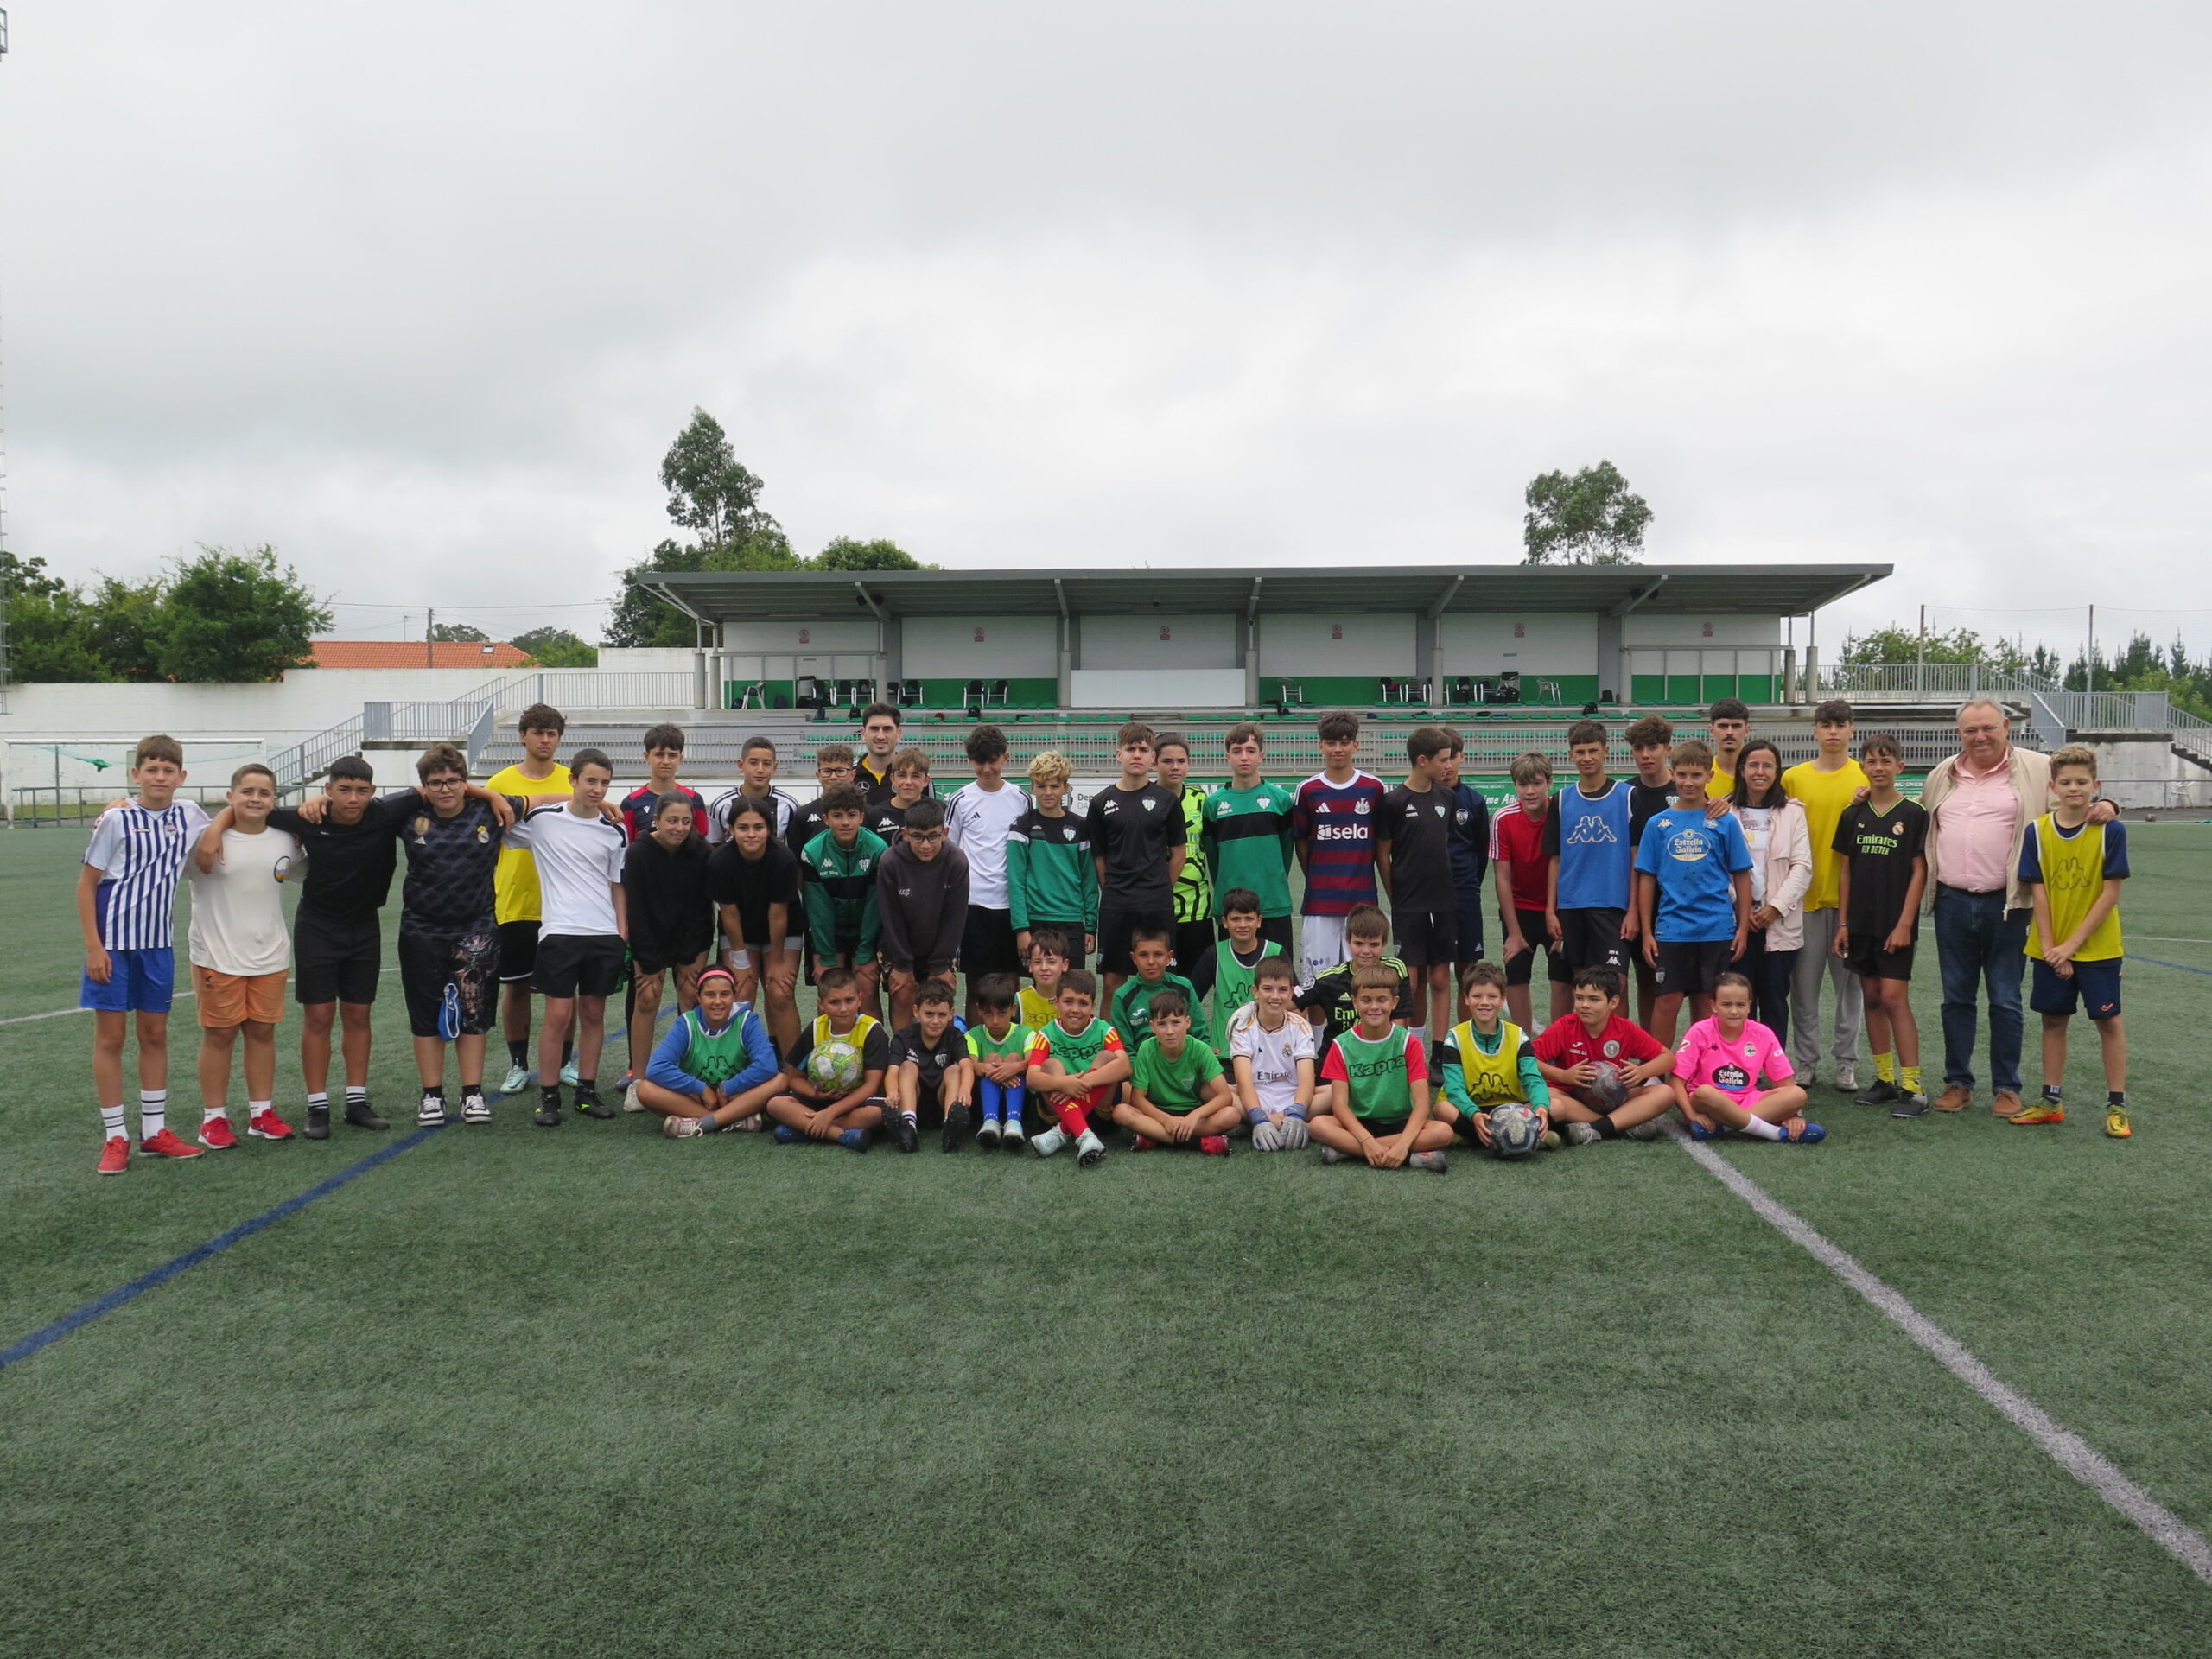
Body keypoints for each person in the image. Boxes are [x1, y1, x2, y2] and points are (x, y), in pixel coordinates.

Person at [1920, 696, 2117, 1117]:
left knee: (2005, 998)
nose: (1980, 736)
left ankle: (2007, 1087)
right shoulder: (1941, 775)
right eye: (1971, 730)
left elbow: (2075, 793)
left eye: (1988, 727)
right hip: (1952, 901)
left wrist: (2110, 805)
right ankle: (1958, 1082)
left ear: (2006, 726)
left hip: (2009, 904)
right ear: (1960, 734)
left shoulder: (2036, 767)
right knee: (1955, 998)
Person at [255, 754, 413, 1136]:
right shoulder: (309, 818)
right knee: (320, 1017)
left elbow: (435, 788)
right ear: (328, 791)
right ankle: (318, 1105)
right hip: (318, 927)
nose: (353, 799)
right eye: (343, 790)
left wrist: (490, 798)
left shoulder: (386, 814)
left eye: (361, 791)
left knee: (358, 1015)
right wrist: (215, 830)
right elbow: (253, 809)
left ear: (373, 792)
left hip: (364, 927)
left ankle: (357, 1101)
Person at [79, 736, 210, 1172]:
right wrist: (94, 947)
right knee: (111, 1039)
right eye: (151, 769)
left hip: (157, 945)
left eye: (168, 770)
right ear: (136, 774)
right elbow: (86, 885)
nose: (159, 777)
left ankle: (154, 1131)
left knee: (154, 1036)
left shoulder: (189, 814)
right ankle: (115, 1137)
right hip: (112, 947)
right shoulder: (117, 819)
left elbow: (223, 821)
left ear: (181, 777)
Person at [391, 744, 524, 1128]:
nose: (446, 789)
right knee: (424, 1013)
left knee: (475, 1010)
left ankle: (472, 1093)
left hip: (477, 931)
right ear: (424, 788)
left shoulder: (490, 812)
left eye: (454, 781)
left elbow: (553, 798)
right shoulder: (409, 815)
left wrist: (489, 794)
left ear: (465, 782)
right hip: (421, 930)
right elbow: (368, 808)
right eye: (436, 783)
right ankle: (431, 1095)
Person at [502, 748, 630, 1126]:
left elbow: (617, 883)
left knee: (593, 1013)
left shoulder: (614, 830)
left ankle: (587, 1093)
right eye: (590, 781)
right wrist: (581, 799)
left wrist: (622, 929)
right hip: (559, 932)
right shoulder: (542, 821)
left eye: (604, 783)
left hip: (603, 932)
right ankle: (548, 1095)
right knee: (558, 1015)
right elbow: (501, 809)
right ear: (572, 780)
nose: (597, 789)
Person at [182, 764, 300, 1150]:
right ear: (231, 797)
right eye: (246, 791)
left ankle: (261, 1113)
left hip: (271, 955)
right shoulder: (204, 841)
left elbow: (307, 870)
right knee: (219, 1035)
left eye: (264, 793)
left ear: (274, 800)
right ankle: (212, 1119)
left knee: (263, 1033)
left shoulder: (287, 840)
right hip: (217, 956)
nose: (255, 799)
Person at [2015, 745, 2131, 1135]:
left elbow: (2109, 894)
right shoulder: (2037, 831)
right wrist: (2051, 947)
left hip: (2097, 949)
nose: (2074, 788)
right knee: (2052, 1020)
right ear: (2053, 786)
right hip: (2051, 949)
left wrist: (2071, 946)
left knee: (2108, 1021)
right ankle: (2051, 1099)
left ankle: (2117, 1105)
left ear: (2096, 785)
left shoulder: (2110, 831)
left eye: (2082, 782)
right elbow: (2039, 892)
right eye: (2065, 782)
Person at [1833, 734, 1930, 1116]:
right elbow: (1845, 872)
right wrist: (1843, 922)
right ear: (1862, 766)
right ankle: (1885, 1079)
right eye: (1872, 761)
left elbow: (1919, 872)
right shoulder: (1852, 814)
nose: (1879, 768)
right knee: (1870, 998)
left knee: (1893, 998)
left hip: (1895, 924)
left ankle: (1914, 1086)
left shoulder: (1913, 814)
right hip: (1860, 924)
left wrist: (1906, 923)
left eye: (1886, 762)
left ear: (1900, 768)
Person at [1633, 739, 1753, 1047]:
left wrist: (1742, 927)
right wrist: (1647, 932)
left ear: (1709, 776)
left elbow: (1741, 874)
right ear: (1673, 774)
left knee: (1705, 1003)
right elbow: (1646, 879)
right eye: (1683, 774)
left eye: (1696, 775)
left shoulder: (1724, 821)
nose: (1689, 782)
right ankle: (1658, 1076)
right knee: (1667, 1001)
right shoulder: (1658, 824)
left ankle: (1699, 1073)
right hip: (1673, 929)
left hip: (1716, 928)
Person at [1781, 699, 1869, 1091]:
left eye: (1841, 724)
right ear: (1815, 730)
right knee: (1803, 989)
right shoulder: (1793, 778)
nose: (1833, 731)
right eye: (1826, 724)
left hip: (1852, 902)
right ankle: (1806, 1061)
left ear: (1852, 730)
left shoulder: (1866, 775)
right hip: (1805, 900)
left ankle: (1846, 1063)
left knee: (1850, 989)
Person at [487, 702, 574, 1096]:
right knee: (516, 987)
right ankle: (518, 1064)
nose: (544, 739)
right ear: (523, 736)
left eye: (551, 733)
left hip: (564, 903)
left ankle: (566, 1062)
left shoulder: (573, 780)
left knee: (564, 987)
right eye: (537, 732)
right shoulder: (500, 783)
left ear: (558, 738)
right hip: (516, 901)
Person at [620, 793, 715, 1103]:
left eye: (686, 821)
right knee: (646, 998)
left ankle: (691, 1077)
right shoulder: (638, 853)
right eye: (672, 820)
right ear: (656, 821)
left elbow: (703, 909)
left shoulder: (701, 850)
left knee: (690, 997)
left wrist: (693, 954)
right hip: (651, 934)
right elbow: (637, 908)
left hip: (690, 933)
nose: (679, 827)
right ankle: (640, 1079)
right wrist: (647, 959)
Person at [1308, 965, 1451, 1172]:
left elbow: (1421, 1104)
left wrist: (1401, 1144)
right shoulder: (1341, 1045)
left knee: (1443, 1131)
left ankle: (1349, 1151)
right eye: (1366, 1000)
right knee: (1318, 1125)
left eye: (1381, 1000)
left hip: (1402, 1122)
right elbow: (1339, 1105)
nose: (1374, 1006)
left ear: (1394, 1002)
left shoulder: (1408, 1042)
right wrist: (1366, 1141)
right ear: (1355, 1002)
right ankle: (1408, 1155)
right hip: (1359, 1124)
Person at [1084, 721, 1182, 1001]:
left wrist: (1160, 886)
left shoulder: (1166, 800)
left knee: (1158, 979)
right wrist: (1115, 888)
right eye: (1130, 749)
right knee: (1113, 982)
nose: (1136, 755)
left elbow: (1178, 853)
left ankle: (1158, 1042)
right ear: (1119, 754)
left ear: (1152, 757)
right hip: (1117, 903)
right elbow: (1099, 857)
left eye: (1143, 749)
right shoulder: (1101, 803)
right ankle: (1115, 1045)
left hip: (1156, 902)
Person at [1376, 725, 1461, 1043]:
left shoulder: (1447, 797)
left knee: (1440, 979)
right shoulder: (1393, 802)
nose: (1448, 766)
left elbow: (1443, 845)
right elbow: (1382, 855)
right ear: (1422, 760)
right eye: (1442, 760)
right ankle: (1400, 1050)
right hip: (1409, 904)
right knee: (1409, 983)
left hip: (1443, 902)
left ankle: (1438, 1050)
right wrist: (1394, 894)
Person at [1542, 719, 1633, 1011]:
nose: (1586, 758)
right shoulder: (1560, 800)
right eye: (1580, 752)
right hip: (1572, 905)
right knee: (1581, 983)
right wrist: (1550, 909)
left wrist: (1633, 910)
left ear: (1606, 751)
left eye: (1593, 750)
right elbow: (1555, 860)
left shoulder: (1627, 796)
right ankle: (1583, 1050)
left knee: (1616, 981)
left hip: (1612, 905)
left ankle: (1619, 1050)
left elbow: (1636, 858)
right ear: (1570, 755)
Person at [1726, 739, 1812, 1045]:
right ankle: (1740, 1069)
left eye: (1767, 765)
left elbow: (1802, 867)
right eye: (1753, 765)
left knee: (1775, 1000)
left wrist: (1774, 908)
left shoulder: (1793, 813)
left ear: (1777, 771)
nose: (1760, 771)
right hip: (1739, 922)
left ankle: (1773, 1071)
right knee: (1739, 1001)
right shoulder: (1725, 811)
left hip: (1779, 921)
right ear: (1742, 770)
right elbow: (1719, 866)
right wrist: (1743, 908)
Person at [1292, 711, 1389, 980]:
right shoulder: (1308, 790)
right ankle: (1317, 1026)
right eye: (1331, 742)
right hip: (1320, 902)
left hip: (1362, 901)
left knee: (1364, 980)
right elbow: (1301, 843)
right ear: (1320, 745)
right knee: (1316, 981)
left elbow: (1382, 844)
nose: (1338, 749)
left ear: (1355, 745)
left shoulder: (1374, 788)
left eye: (1345, 742)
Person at [1531, 969, 1677, 1142]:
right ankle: (1622, 1124)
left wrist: (1643, 1071)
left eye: (1594, 999)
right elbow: (1528, 1060)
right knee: (1549, 1097)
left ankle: (1594, 1129)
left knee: (1665, 1093)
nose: (1585, 1005)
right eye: (1579, 998)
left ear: (1613, 1002)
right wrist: (1563, 1075)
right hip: (1572, 1098)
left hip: (1615, 1098)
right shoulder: (1565, 1026)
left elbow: (1668, 1058)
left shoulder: (1624, 1029)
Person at [1671, 971, 1820, 1142]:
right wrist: (1691, 1114)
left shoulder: (1763, 1034)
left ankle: (1725, 1127)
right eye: (1726, 1005)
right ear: (1713, 1005)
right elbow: (1676, 1081)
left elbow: (1785, 1083)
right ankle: (1771, 1132)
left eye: (1740, 1005)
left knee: (1797, 1094)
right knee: (1704, 1093)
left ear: (1750, 1005)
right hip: (1712, 1102)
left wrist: (1793, 1114)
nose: (1734, 1011)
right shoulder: (1700, 1031)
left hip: (1748, 1099)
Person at [639, 965, 785, 1137]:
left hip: (737, 1096)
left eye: (725, 994)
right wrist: (701, 1089)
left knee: (781, 1080)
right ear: (698, 997)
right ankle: (730, 1120)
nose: (717, 1001)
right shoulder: (687, 1024)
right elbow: (656, 1068)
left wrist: (727, 1088)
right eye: (710, 995)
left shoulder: (746, 1021)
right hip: (701, 1100)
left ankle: (701, 1123)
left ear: (734, 995)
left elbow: (767, 1065)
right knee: (645, 1089)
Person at [708, 797, 803, 1058]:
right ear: (730, 829)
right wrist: (740, 959)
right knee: (741, 992)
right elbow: (729, 913)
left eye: (758, 827)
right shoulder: (720, 861)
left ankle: (792, 1068)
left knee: (780, 992)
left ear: (769, 830)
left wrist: (778, 960)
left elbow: (778, 915)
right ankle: (733, 1065)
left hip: (783, 930)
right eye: (743, 827)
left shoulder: (783, 859)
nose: (751, 834)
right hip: (740, 930)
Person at [946, 723, 1030, 1018]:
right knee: (977, 986)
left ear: (1005, 758)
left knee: (1012, 984)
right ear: (970, 760)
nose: (986, 769)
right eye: (979, 762)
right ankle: (973, 1053)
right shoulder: (960, 800)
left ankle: (1015, 1053)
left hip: (1012, 905)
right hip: (974, 903)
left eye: (992, 761)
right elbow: (950, 852)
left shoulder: (1021, 798)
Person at [1430, 961, 1553, 1153]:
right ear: (1466, 998)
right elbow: (1454, 1089)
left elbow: (1533, 1078)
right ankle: (1523, 1136)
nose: (1484, 1002)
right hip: (1472, 1108)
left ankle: (1474, 1139)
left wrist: (1541, 1108)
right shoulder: (1455, 1037)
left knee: (1556, 1104)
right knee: (1442, 1110)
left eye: (1492, 996)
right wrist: (1474, 1114)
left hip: (1512, 1106)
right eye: (1477, 996)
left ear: (1502, 999)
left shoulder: (1517, 1035)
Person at [765, 966, 891, 1151]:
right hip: (822, 1099)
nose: (843, 1009)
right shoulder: (816, 1028)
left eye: (849, 1000)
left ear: (860, 999)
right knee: (775, 1104)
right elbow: (794, 1078)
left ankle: (804, 1129)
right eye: (834, 1002)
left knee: (877, 1113)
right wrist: (815, 1093)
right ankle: (840, 1135)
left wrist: (829, 1114)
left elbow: (871, 1086)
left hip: (856, 1101)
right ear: (821, 1004)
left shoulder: (872, 1031)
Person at [1204, 722, 1299, 957]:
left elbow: (1286, 853)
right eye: (1237, 751)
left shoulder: (1281, 801)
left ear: (1261, 755)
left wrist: (1271, 882)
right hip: (1232, 909)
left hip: (1273, 904)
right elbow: (1214, 860)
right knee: (1234, 978)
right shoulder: (1213, 805)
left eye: (1250, 750)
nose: (1244, 757)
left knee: (1279, 977)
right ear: (1227, 756)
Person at [875, 797, 970, 1029]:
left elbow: (955, 918)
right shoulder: (890, 861)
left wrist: (940, 965)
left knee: (938, 999)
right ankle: (901, 1055)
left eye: (933, 836)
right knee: (903, 992)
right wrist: (903, 965)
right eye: (917, 837)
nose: (926, 845)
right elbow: (890, 918)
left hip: (940, 949)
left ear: (945, 832)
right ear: (905, 833)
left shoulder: (956, 861)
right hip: (900, 947)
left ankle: (939, 1059)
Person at [798, 782, 890, 1014]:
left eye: (851, 815)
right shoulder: (812, 851)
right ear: (826, 819)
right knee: (831, 989)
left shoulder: (878, 848)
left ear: (862, 817)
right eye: (837, 816)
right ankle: (827, 1050)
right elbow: (819, 910)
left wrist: (865, 953)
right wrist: (826, 956)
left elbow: (874, 904)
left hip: (866, 932)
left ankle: (872, 1049)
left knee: (867, 987)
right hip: (831, 936)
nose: (845, 822)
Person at [1491, 752, 1566, 1030]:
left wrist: (1561, 914)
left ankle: (1557, 1045)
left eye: (1536, 783)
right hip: (1519, 909)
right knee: (1516, 975)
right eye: (1523, 785)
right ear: (1515, 786)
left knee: (1561, 978)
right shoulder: (1503, 819)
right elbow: (1501, 877)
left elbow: (1565, 866)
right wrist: (1513, 932)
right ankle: (1522, 1045)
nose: (1530, 791)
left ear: (1550, 782)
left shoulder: (1561, 814)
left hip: (1556, 910)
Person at [1117, 988, 1237, 1154]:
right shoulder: (1146, 1049)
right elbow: (1137, 1099)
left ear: (1187, 1022)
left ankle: (1154, 1137)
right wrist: (1166, 1120)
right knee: (1121, 1112)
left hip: (1192, 1112)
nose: (1170, 1031)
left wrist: (1194, 1117)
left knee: (1231, 1115)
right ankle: (1199, 1143)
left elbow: (1225, 1097)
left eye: (1176, 1022)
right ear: (1152, 1026)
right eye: (1161, 1024)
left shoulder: (1200, 1049)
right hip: (1158, 1113)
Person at [1023, 969, 1123, 1166]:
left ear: (1093, 1006)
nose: (1075, 1009)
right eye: (1068, 1001)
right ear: (1056, 1003)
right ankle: (1085, 1136)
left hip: (1098, 1109)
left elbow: (1125, 1065)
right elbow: (1031, 1078)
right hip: (1058, 1108)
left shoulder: (1105, 1030)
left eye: (1083, 1003)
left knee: (1108, 1057)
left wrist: (1083, 1082)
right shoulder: (1045, 1034)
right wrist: (1062, 1082)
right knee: (1051, 1065)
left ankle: (1061, 1133)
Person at [1008, 750, 1096, 969]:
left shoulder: (1080, 827)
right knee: (1039, 992)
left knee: (1072, 989)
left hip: (1072, 921)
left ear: (1066, 787)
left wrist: (1091, 926)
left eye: (1055, 786)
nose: (1048, 792)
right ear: (1032, 787)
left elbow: (1089, 880)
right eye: (1041, 786)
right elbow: (1016, 880)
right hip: (1035, 921)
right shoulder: (1022, 827)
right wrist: (1021, 928)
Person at [1294, 904, 1414, 1059]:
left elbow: (1400, 1022)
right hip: (1337, 1060)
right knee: (1322, 1085)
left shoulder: (1396, 970)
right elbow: (1291, 1001)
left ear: (1384, 944)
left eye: (1374, 944)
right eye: (1359, 943)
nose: (1366, 951)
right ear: (1348, 941)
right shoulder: (1330, 979)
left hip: (1381, 1060)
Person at [1227, 957, 1316, 1150]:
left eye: (1283, 990)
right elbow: (1243, 1080)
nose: (1275, 996)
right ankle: (1271, 1124)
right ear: (1255, 991)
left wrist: (1298, 1112)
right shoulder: (1242, 1026)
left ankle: (1281, 1122)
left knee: (1335, 1091)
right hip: (1255, 1096)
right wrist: (1258, 1117)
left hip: (1291, 1095)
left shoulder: (1300, 1025)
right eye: (1267, 989)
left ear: (1292, 992)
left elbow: (1307, 1078)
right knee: (1215, 1091)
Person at [1622, 715, 1677, 1028]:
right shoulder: (1625, 794)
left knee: (1663, 983)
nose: (1646, 755)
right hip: (1632, 899)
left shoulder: (1683, 789)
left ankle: (1656, 1053)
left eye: (1653, 747)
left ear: (1667, 749)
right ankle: (1641, 1050)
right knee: (1640, 977)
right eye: (1639, 748)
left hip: (1673, 903)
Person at [1156, 733, 1218, 995]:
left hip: (1197, 909)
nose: (1175, 767)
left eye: (1181, 761)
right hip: (1159, 909)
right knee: (1162, 987)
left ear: (1189, 764)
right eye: (1168, 761)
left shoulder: (1201, 800)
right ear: (1154, 762)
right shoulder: (1145, 801)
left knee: (1196, 988)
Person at [889, 977, 976, 1153]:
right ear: (916, 1011)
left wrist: (965, 1090)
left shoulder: (955, 1036)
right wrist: (891, 1092)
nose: (935, 1021)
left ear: (951, 1013)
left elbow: (967, 1065)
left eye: (942, 1015)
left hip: (942, 1100)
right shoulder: (903, 1037)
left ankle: (950, 1126)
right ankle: (908, 1126)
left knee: (955, 1069)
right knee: (907, 1066)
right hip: (914, 1101)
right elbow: (892, 1071)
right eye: (929, 1014)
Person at [1436, 736, 1491, 995]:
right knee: (1435, 972)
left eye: (1452, 758)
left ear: (1462, 757)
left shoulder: (1475, 801)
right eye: (1442, 759)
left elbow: (1481, 851)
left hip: (1465, 892)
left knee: (1467, 973)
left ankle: (1465, 1034)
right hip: (1431, 893)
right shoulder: (1421, 797)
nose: (1447, 765)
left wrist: (1469, 883)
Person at [1109, 923, 1212, 1053]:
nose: (1151, 961)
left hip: (1184, 1065)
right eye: (1143, 955)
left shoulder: (1184, 986)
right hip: (1143, 1068)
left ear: (1169, 957)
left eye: (1158, 954)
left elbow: (1200, 1035)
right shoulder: (1122, 996)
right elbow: (1126, 1050)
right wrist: (1141, 1073)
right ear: (1133, 958)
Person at [1205, 887, 1284, 1052]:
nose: (1243, 925)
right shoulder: (1215, 954)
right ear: (1225, 922)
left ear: (1259, 921)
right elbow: (1188, 999)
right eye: (1236, 919)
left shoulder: (1275, 952)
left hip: (1268, 1053)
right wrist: (1201, 1045)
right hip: (1225, 1053)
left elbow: (1297, 1004)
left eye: (1249, 918)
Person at [965, 974, 1032, 1149]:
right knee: (991, 1060)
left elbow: (1034, 1061)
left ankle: (1013, 1122)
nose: (995, 1021)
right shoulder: (972, 1035)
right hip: (983, 1100)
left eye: (1002, 1013)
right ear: (979, 1010)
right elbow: (969, 1064)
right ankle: (991, 1122)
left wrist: (1014, 1067)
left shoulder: (1027, 1034)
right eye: (988, 1013)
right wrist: (992, 1069)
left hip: (1023, 1099)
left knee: (1014, 1059)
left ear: (1013, 1010)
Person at [705, 734, 801, 845]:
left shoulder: (789, 806)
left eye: (766, 763)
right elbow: (714, 845)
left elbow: (795, 848)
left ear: (774, 767)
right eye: (753, 763)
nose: (760, 769)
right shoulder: (721, 805)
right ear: (741, 765)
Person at [619, 722, 706, 843]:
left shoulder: (695, 800)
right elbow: (628, 845)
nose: (666, 761)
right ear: (647, 756)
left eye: (672, 755)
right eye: (659, 755)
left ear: (681, 758)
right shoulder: (631, 803)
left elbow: (701, 844)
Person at [784, 744, 856, 860]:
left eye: (840, 771)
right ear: (818, 775)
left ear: (852, 774)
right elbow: (796, 861)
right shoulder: (803, 815)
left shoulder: (867, 812)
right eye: (827, 771)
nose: (833, 777)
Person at [867, 747, 935, 842]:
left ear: (926, 781)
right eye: (902, 775)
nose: (908, 782)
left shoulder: (939, 811)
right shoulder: (875, 815)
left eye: (915, 776)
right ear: (893, 779)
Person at [1020, 929, 1073, 1033]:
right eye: (1038, 962)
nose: (1044, 968)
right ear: (1030, 965)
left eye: (1051, 962)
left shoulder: (1074, 999)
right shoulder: (1019, 1000)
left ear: (1064, 965)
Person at [855, 702, 904, 802]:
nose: (880, 736)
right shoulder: (849, 773)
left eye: (887, 729)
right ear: (863, 733)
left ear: (898, 734)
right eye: (874, 729)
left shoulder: (915, 775)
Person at [1706, 697, 1751, 797]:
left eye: (1736, 726)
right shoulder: (1702, 774)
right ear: (1711, 730)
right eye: (1723, 726)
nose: (1729, 732)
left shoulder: (1758, 774)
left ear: (1747, 730)